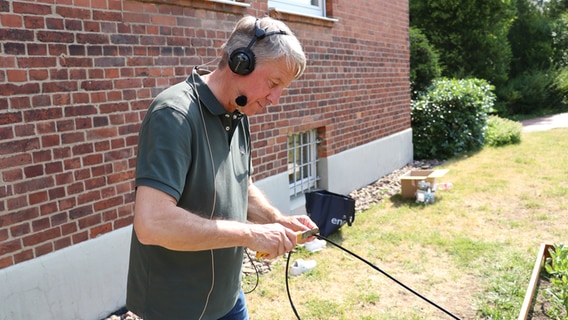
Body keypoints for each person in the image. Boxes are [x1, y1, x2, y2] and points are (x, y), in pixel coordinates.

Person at [126, 16, 318, 320]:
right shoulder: (173, 114)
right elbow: (152, 223)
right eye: (273, 84)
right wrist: (250, 234)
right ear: (240, 63)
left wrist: (277, 220)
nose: (276, 99)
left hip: (228, 298)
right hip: (176, 308)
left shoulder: (238, 111)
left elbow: (242, 185)